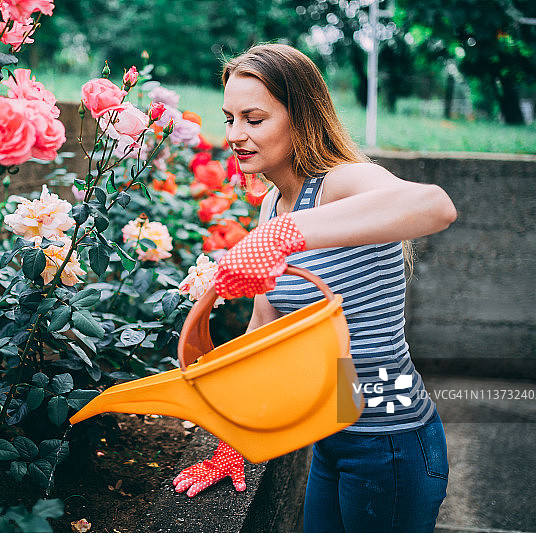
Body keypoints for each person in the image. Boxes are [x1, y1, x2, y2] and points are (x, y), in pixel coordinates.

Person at [171, 43, 457, 532]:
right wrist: (232, 443)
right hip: (331, 437)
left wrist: (287, 235)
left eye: (254, 119)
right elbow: (264, 330)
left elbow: (436, 206)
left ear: (300, 116)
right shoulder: (274, 203)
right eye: (229, 118)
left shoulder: (341, 181)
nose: (236, 135)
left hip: (390, 442)